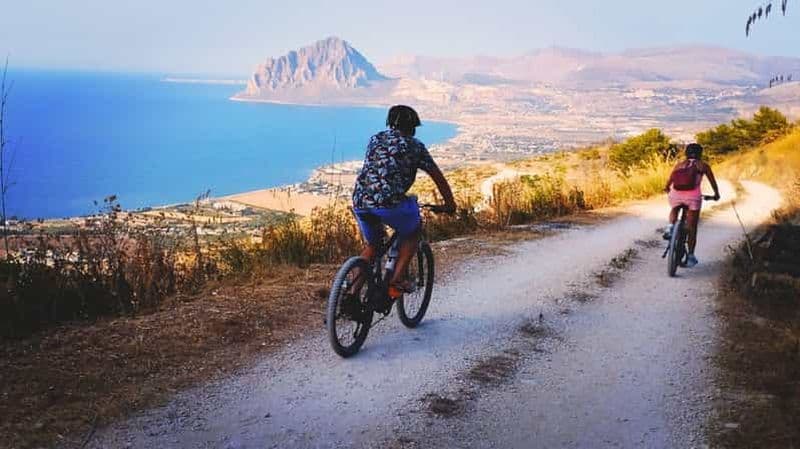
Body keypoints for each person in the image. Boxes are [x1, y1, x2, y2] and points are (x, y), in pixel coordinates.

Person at [351, 105, 456, 302]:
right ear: (413, 127)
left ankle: (351, 293)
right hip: (389, 202)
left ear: (390, 124)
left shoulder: (376, 138)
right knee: (413, 230)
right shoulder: (415, 146)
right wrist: (450, 205)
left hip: (360, 199)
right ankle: (396, 279)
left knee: (373, 245)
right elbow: (438, 177)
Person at [662, 143, 721, 267]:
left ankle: (670, 227)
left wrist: (668, 189)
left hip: (676, 195)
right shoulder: (703, 166)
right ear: (700, 153)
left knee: (674, 208)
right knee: (692, 227)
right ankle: (690, 256)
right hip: (693, 198)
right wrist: (716, 195)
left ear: (686, 153)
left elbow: (669, 181)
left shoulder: (679, 165)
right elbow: (712, 182)